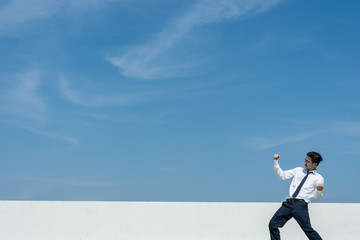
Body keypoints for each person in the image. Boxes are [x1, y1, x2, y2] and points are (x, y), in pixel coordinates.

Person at [269, 152, 324, 240]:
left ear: (315, 164)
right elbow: (282, 175)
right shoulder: (298, 170)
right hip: (287, 204)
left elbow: (318, 198)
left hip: (300, 205)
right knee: (273, 224)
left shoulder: (318, 178)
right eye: (305, 160)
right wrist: (276, 162)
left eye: (308, 162)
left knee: (308, 229)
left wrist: (319, 191)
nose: (305, 163)